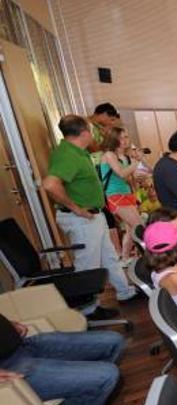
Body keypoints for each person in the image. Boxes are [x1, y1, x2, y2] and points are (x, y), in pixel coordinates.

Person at [42, 115, 137, 311]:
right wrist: (76, 208)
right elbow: (50, 185)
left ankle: (124, 291)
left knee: (109, 256)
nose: (94, 135)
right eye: (91, 131)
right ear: (84, 133)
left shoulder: (79, 152)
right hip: (81, 218)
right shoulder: (67, 154)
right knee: (88, 264)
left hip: (94, 215)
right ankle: (88, 310)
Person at [0, 313, 124, 405]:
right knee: (106, 376)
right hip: (10, 368)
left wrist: (8, 325)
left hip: (21, 345)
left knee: (113, 341)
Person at [99, 126, 144, 264]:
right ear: (114, 139)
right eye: (122, 138)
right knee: (138, 224)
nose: (126, 140)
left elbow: (130, 176)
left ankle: (124, 258)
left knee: (131, 228)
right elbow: (121, 173)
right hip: (114, 195)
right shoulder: (109, 155)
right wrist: (136, 162)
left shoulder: (125, 157)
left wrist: (139, 176)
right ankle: (147, 254)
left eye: (126, 137)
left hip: (127, 193)